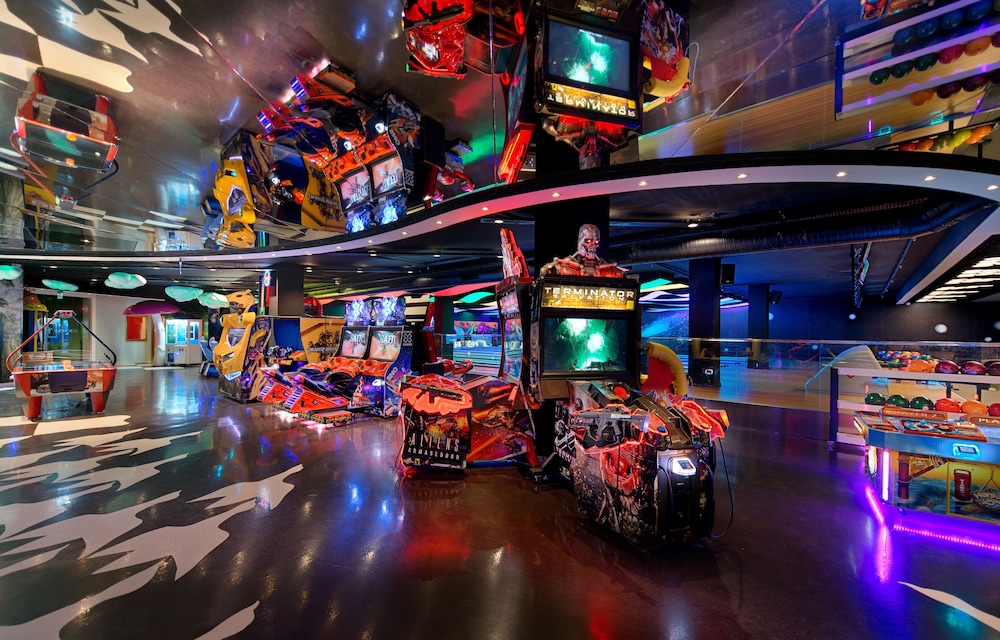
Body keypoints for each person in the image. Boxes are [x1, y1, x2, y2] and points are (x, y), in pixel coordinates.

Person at [540, 223, 627, 277]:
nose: (593, 245)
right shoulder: (560, 267)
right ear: (580, 241)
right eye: (588, 241)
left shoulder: (612, 271)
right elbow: (544, 271)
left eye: (596, 242)